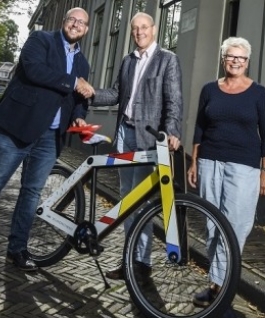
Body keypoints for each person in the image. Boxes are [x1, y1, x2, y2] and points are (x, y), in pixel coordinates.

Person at [0, 7, 95, 273]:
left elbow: (78, 101)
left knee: (31, 195)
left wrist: (78, 116)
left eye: (81, 23)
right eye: (72, 20)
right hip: (17, 128)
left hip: (50, 138)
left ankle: (17, 250)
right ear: (65, 22)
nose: (76, 25)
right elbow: (34, 70)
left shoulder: (83, 63)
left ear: (86, 30)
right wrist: (74, 82)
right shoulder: (41, 40)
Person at [89, 12, 183, 280]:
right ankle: (131, 259)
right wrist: (91, 93)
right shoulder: (128, 61)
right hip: (124, 135)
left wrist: (172, 130)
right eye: (135, 29)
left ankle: (140, 263)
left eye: (144, 27)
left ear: (153, 30)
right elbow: (117, 94)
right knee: (126, 200)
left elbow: (173, 101)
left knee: (139, 203)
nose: (139, 32)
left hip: (147, 139)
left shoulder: (168, 60)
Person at [187, 36, 265, 309]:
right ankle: (217, 286)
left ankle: (221, 288)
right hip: (209, 162)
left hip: (244, 167)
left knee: (235, 227)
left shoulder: (259, 93)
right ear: (223, 59)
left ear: (247, 62)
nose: (236, 61)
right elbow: (200, 128)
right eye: (231, 56)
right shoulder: (209, 90)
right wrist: (194, 162)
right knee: (213, 227)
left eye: (241, 57)